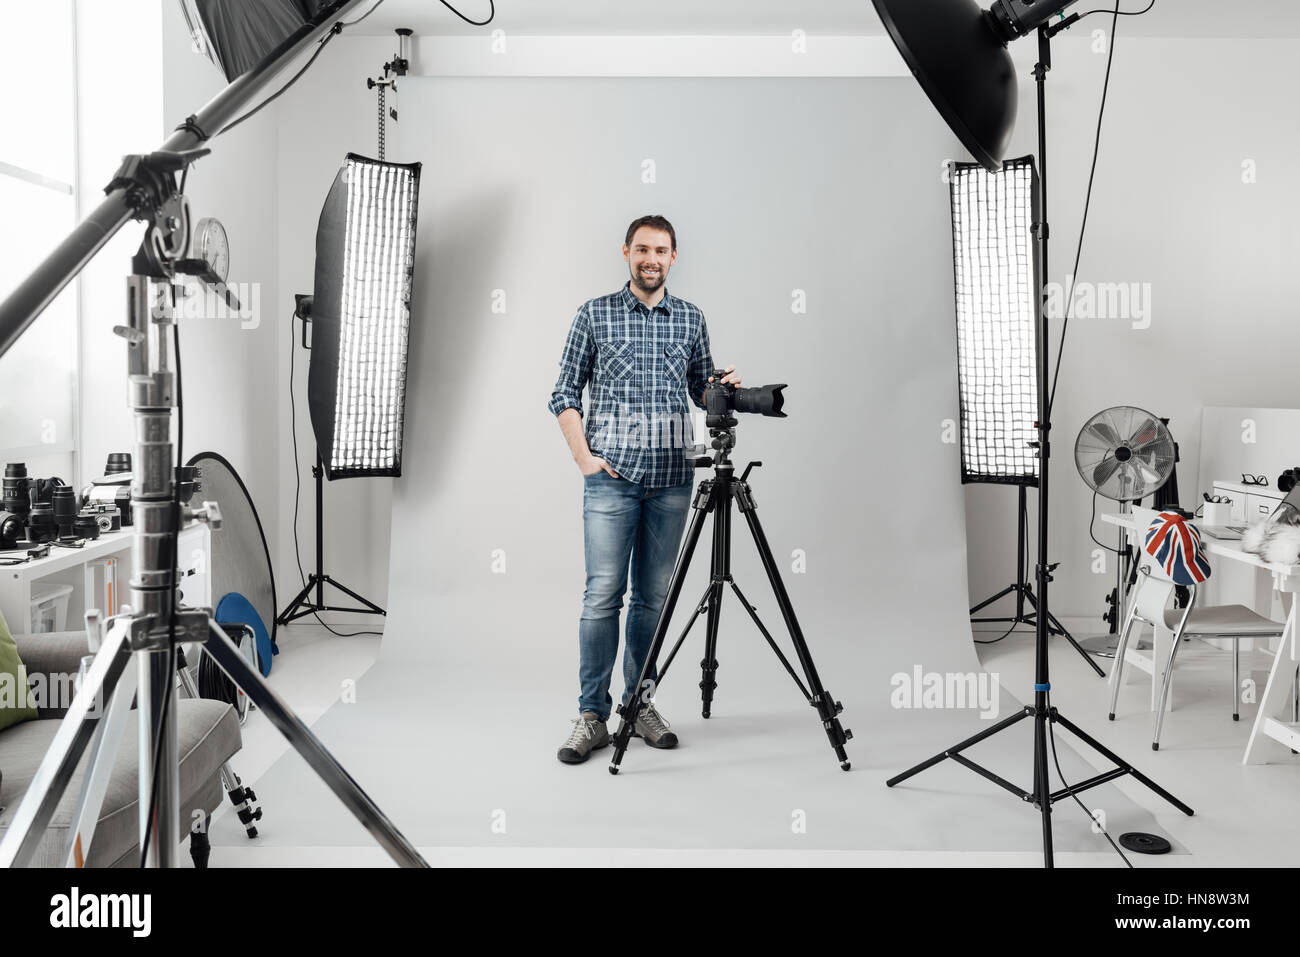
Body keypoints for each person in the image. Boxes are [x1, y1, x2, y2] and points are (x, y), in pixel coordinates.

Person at [547, 214, 740, 764]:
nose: (651, 259)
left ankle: (640, 704)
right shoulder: (595, 314)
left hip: (673, 481)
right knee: (602, 597)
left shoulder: (690, 318)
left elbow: (700, 391)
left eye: (661, 250)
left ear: (673, 257)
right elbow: (562, 391)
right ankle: (591, 716)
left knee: (653, 599)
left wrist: (720, 390)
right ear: (626, 253)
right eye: (642, 250)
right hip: (612, 481)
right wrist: (584, 458)